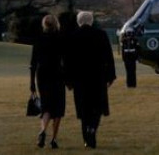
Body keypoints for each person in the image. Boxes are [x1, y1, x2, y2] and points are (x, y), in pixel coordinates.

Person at [66, 11, 116, 149]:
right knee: (97, 107)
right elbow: (108, 57)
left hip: (79, 79)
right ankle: (93, 129)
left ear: (79, 21)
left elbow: (68, 61)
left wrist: (68, 80)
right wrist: (111, 76)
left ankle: (87, 138)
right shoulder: (101, 35)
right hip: (97, 77)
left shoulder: (72, 36)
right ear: (91, 21)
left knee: (83, 109)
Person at [29, 14, 66, 149]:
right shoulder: (60, 38)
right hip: (57, 74)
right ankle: (54, 139)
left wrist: (32, 83)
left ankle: (43, 131)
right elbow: (65, 60)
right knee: (58, 108)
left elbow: (33, 63)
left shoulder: (39, 39)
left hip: (42, 75)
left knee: (46, 106)